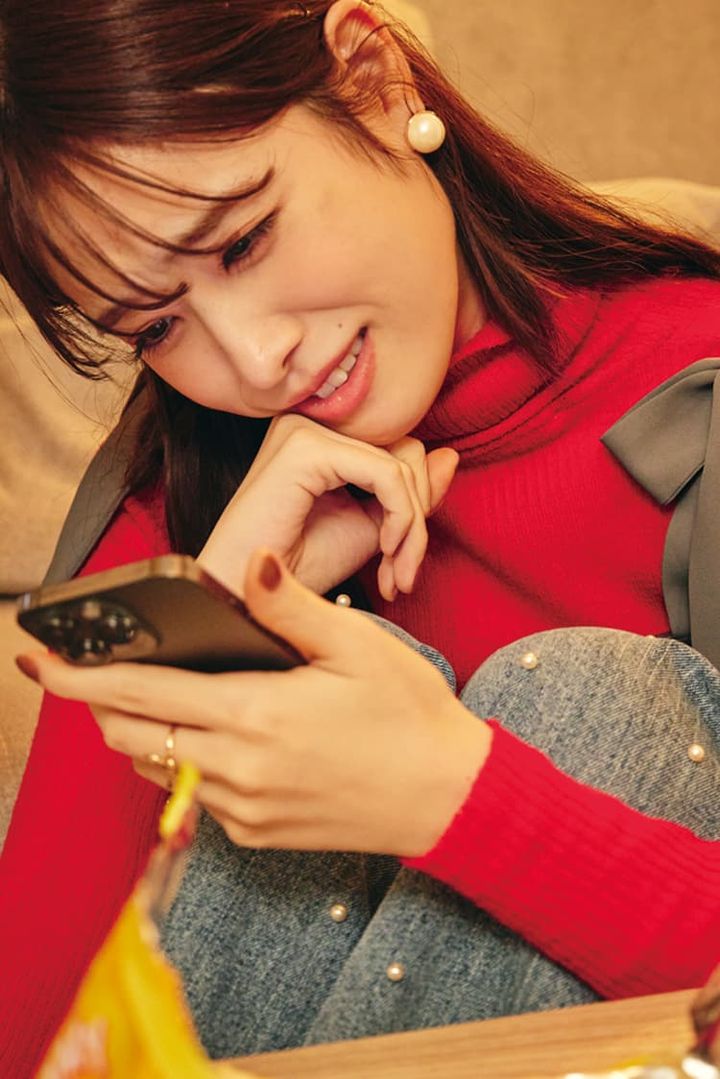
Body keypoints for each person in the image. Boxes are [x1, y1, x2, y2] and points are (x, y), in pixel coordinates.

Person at [2, 0, 720, 1072]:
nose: (254, 361)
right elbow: (31, 1040)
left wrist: (454, 794)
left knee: (589, 695)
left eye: (243, 240)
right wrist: (207, 632)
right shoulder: (182, 491)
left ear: (377, 82)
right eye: (156, 325)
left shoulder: (693, 397)